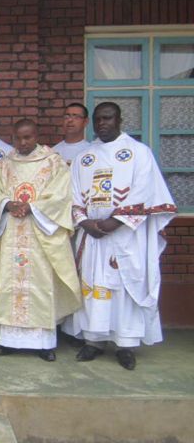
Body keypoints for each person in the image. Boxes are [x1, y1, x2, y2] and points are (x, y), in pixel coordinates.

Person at [62, 102, 177, 370]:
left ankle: (125, 344)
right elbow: (73, 194)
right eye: (99, 119)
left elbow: (144, 191)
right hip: (92, 236)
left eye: (108, 118)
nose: (103, 123)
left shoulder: (138, 153)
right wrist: (85, 222)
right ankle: (94, 340)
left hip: (126, 235)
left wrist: (115, 222)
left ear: (120, 120)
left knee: (124, 288)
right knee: (93, 286)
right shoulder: (84, 157)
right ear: (93, 123)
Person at [0, 119, 81, 361]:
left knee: (41, 286)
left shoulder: (53, 162)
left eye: (28, 137)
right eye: (18, 138)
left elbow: (62, 195)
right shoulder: (4, 164)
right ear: (12, 137)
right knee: (10, 284)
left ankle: (44, 344)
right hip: (12, 231)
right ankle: (9, 341)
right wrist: (7, 204)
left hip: (40, 233)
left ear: (36, 135)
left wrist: (33, 208)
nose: (23, 142)